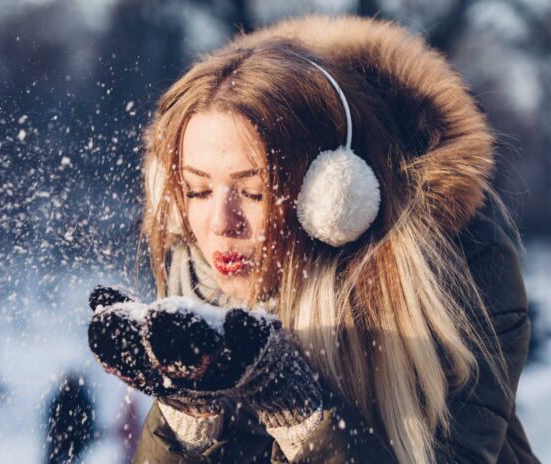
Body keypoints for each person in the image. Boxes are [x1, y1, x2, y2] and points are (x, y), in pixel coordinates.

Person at [87, 14, 540, 464]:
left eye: (253, 191)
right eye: (198, 190)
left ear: (332, 196)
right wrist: (188, 420)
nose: (221, 223)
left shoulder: (462, 272)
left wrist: (297, 409)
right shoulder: (197, 281)